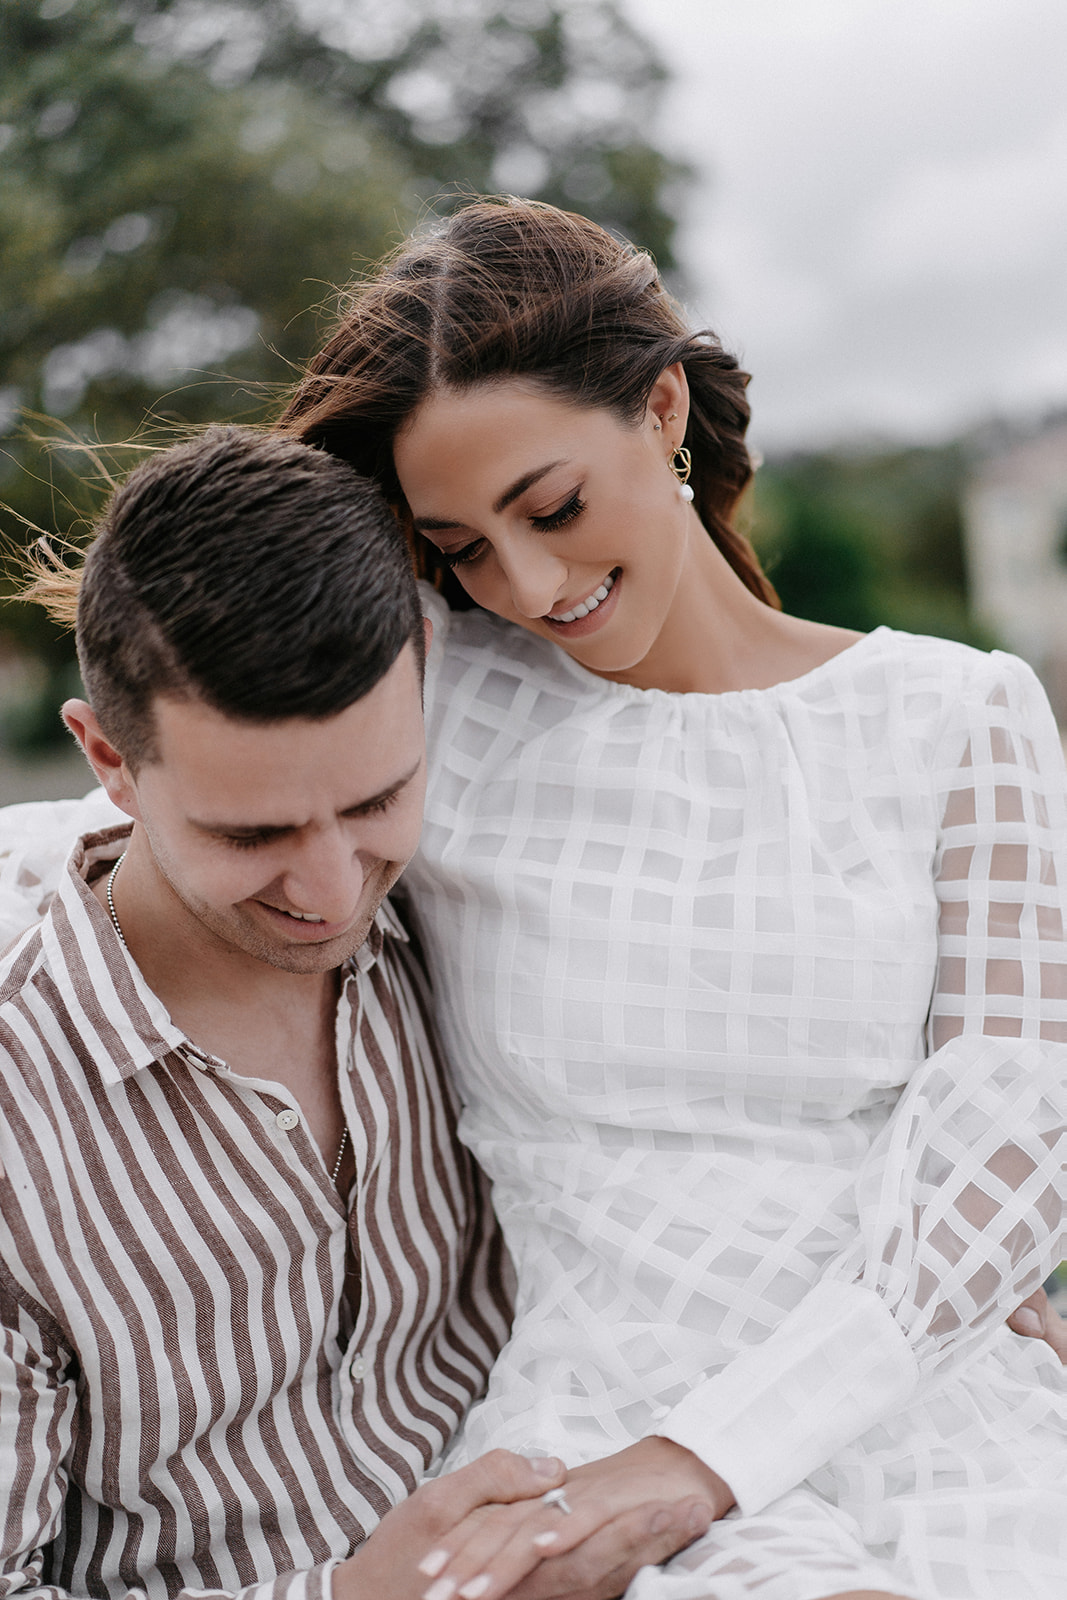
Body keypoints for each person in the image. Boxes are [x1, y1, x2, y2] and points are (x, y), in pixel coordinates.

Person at [269, 198, 1067, 1600]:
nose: (527, 586)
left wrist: (700, 1457)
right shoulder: (433, 706)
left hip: (912, 1389)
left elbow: (1002, 1156)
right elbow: (160, 815)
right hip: (592, 1411)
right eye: (461, 547)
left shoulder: (957, 714)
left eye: (552, 509)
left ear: (659, 410)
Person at [0, 426, 714, 1600]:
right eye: (252, 833)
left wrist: (951, 1283)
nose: (331, 892)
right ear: (107, 759)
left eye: (377, 799)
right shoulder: (21, 1115)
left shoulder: (476, 912)